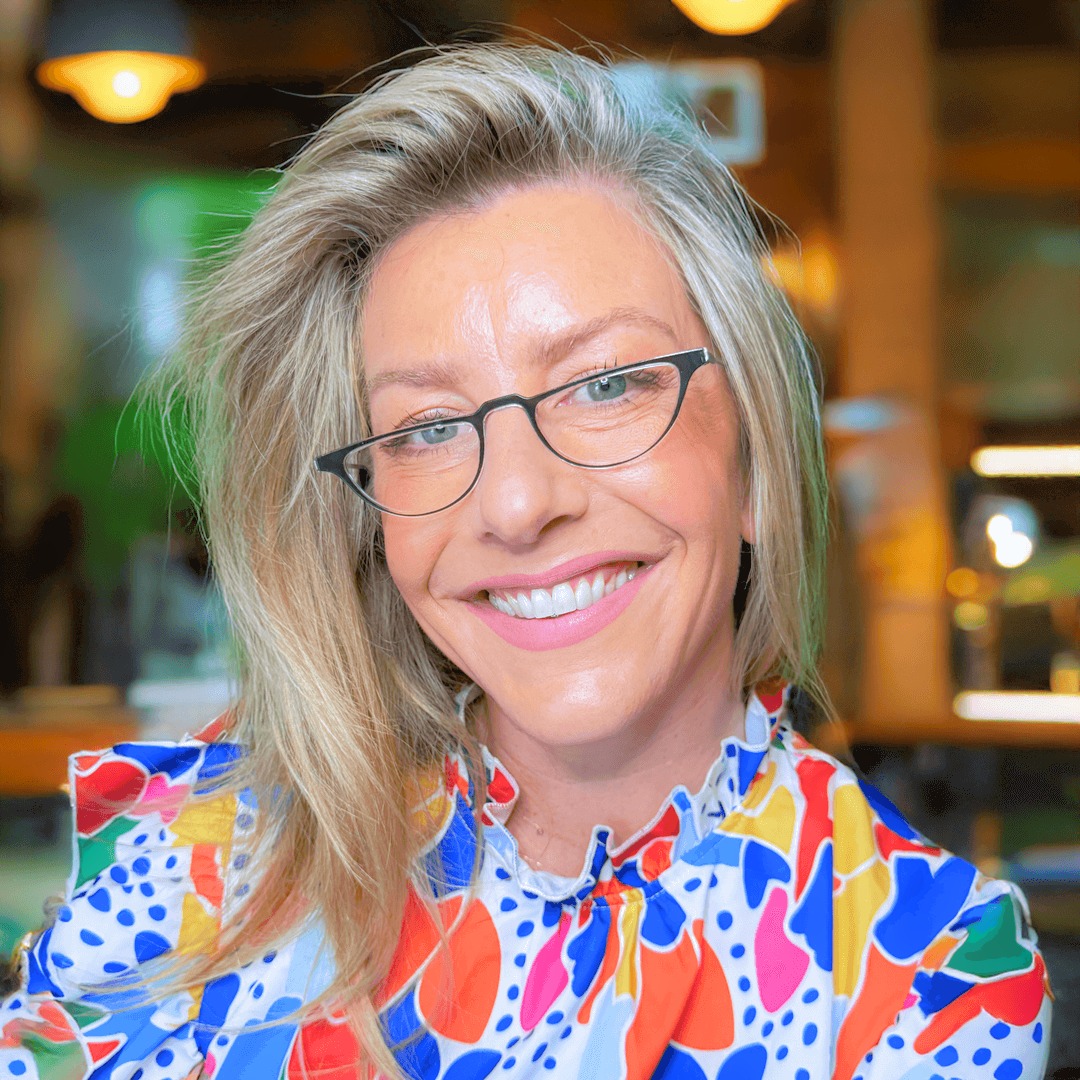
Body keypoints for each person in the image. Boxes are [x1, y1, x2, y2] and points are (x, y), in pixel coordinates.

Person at [1, 42, 1052, 1080]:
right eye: (425, 428)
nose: (514, 504)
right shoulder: (201, 858)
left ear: (755, 460)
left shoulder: (926, 976)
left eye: (606, 384)